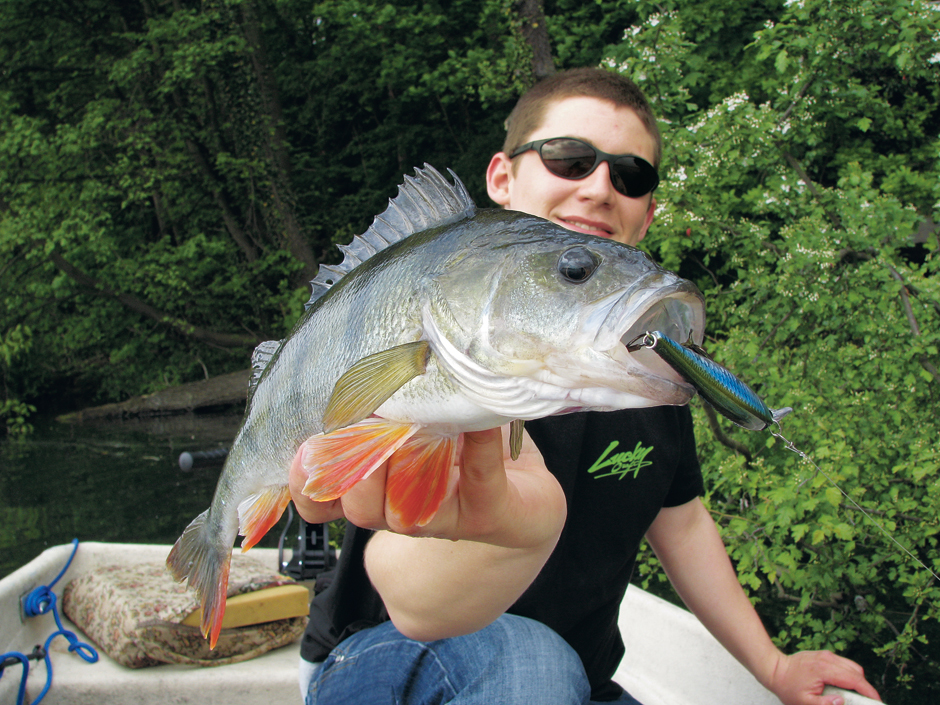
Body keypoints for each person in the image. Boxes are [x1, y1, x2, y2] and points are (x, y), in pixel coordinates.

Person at [288, 68, 881, 705]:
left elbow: (682, 526)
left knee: (549, 669)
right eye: (569, 159)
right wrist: (517, 534)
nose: (599, 187)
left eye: (631, 176)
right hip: (378, 654)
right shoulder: (449, 347)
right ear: (502, 179)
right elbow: (411, 600)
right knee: (532, 660)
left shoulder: (645, 371)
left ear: (647, 214)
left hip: (578, 681)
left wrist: (773, 666)